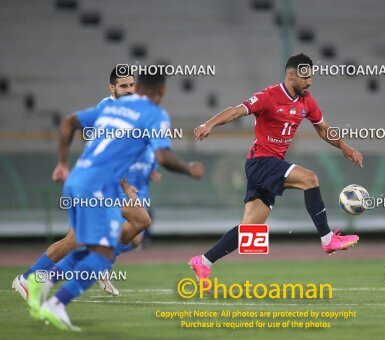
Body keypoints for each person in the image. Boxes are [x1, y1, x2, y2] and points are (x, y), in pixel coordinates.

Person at [26, 73, 203, 331]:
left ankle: (44, 282)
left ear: (138, 87)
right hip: (97, 187)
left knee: (97, 245)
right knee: (105, 254)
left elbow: (68, 123)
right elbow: (164, 156)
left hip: (78, 179)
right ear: (162, 92)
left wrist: (62, 163)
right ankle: (52, 295)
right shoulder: (155, 114)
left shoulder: (113, 106)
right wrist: (190, 169)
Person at [189, 53, 363, 288]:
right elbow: (236, 110)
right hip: (261, 162)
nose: (309, 82)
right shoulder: (268, 96)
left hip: (267, 167)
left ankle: (204, 261)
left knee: (250, 230)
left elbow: (323, 129)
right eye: (305, 78)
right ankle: (327, 238)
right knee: (310, 179)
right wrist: (208, 124)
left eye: (311, 77)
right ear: (291, 75)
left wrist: (344, 146)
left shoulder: (306, 101)